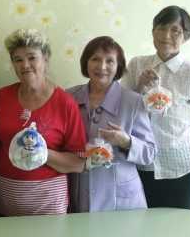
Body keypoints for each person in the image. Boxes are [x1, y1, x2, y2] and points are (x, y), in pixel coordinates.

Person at [122, 6, 190, 211]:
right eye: (161, 28)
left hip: (182, 168)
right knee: (140, 226)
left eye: (175, 31)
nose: (166, 36)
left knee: (179, 228)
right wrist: (139, 87)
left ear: (186, 36)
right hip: (141, 165)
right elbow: (122, 112)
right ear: (153, 31)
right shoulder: (136, 65)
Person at [0, 29, 86, 216]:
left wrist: (41, 153)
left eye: (32, 57)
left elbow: (79, 163)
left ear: (46, 59)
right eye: (18, 60)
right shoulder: (2, 96)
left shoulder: (65, 103)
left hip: (47, 204)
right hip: (3, 201)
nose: (25, 65)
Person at [61, 36, 156, 212]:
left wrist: (126, 141)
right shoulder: (69, 97)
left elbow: (150, 153)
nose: (102, 66)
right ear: (86, 63)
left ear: (118, 66)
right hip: (80, 192)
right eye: (95, 59)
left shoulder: (133, 101)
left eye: (110, 61)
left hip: (122, 201)